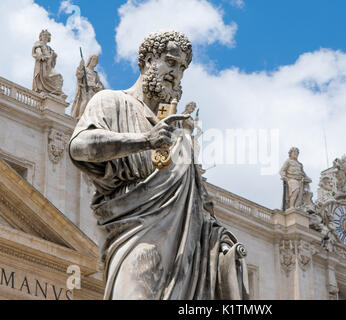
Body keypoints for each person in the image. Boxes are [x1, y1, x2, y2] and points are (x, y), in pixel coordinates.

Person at [68, 30, 249, 300]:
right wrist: (144, 141)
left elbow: (201, 209)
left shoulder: (179, 138)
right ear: (147, 61)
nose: (176, 73)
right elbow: (79, 146)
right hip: (133, 241)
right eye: (170, 62)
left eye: (182, 68)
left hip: (184, 259)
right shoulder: (111, 101)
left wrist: (221, 245)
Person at [32, 30, 66, 99]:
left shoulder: (49, 48)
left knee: (58, 77)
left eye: (47, 36)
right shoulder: (38, 43)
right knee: (44, 76)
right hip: (43, 65)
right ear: (41, 37)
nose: (45, 37)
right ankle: (43, 90)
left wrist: (54, 56)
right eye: (44, 35)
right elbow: (37, 50)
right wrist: (40, 55)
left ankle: (57, 92)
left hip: (49, 66)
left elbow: (53, 60)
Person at [71, 54, 104, 120]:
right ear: (90, 60)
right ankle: (80, 116)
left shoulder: (95, 74)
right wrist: (81, 65)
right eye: (94, 59)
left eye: (96, 60)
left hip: (93, 90)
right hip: (85, 88)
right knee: (85, 101)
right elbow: (79, 75)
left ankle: (89, 117)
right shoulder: (85, 69)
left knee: (93, 104)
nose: (95, 62)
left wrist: (99, 87)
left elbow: (99, 84)